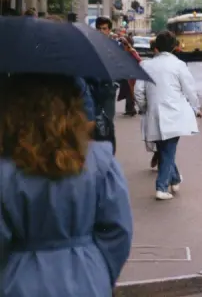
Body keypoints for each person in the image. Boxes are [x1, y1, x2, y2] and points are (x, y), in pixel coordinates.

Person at [0, 73, 133, 296]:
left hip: (20, 282)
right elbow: (119, 230)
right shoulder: (100, 161)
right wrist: (101, 271)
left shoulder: (5, 169)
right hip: (88, 279)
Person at [135, 31, 201, 201]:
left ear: (156, 47)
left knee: (165, 150)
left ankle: (175, 178)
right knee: (168, 150)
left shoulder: (145, 65)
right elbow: (190, 90)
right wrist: (195, 107)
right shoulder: (179, 65)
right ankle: (161, 187)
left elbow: (139, 92)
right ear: (174, 47)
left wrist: (144, 108)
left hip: (154, 114)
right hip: (175, 114)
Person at [89, 16, 120, 153]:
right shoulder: (90, 44)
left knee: (107, 122)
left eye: (104, 29)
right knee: (92, 122)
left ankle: (107, 152)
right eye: (99, 28)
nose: (101, 31)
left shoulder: (113, 46)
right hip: (93, 87)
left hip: (108, 89)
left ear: (109, 30)